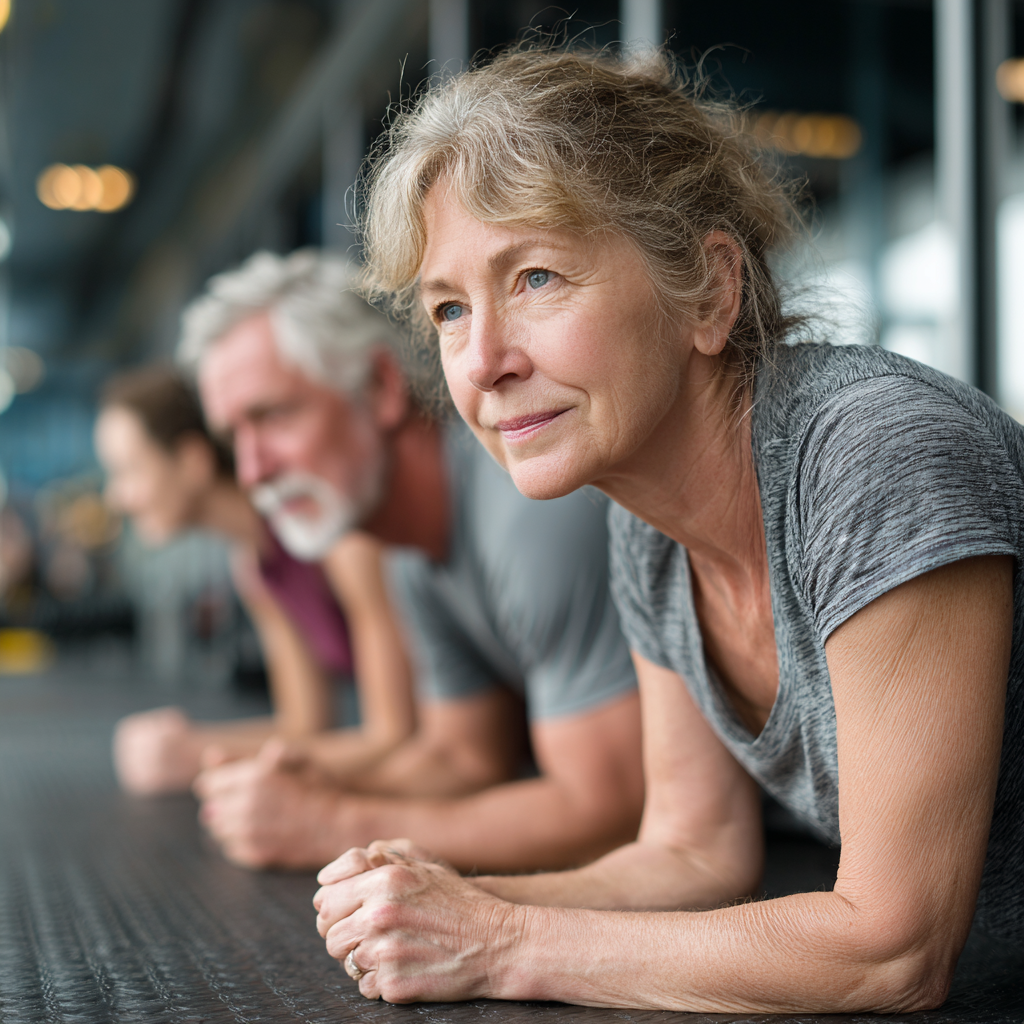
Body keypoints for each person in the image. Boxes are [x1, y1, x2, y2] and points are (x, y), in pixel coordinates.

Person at [312, 46, 1024, 1013]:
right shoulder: (647, 525)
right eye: (448, 307)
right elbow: (692, 852)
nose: (479, 362)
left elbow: (891, 947)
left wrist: (500, 942)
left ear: (709, 290)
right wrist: (447, 902)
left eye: (536, 278)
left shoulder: (874, 457)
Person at [180, 249, 643, 873]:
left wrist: (328, 824)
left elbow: (608, 811)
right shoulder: (406, 549)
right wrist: (311, 781)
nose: (252, 470)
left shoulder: (524, 501)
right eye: (234, 435)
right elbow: (464, 758)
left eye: (272, 416)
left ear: (381, 387)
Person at [96, 367, 415, 794]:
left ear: (192, 461)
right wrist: (192, 745)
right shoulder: (253, 569)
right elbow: (304, 724)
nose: (116, 496)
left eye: (128, 471)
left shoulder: (341, 541)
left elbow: (394, 737)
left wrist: (198, 757)